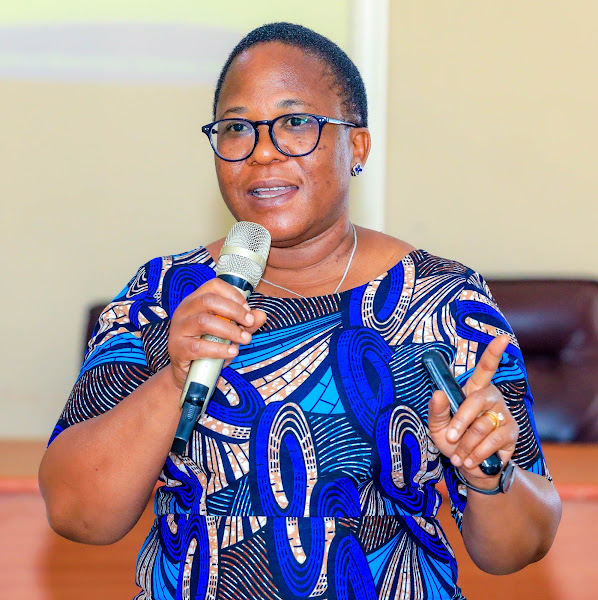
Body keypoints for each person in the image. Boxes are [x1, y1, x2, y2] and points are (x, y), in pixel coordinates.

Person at [39, 22, 561, 600]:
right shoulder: (164, 294)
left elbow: (523, 545)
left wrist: (488, 475)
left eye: (294, 123)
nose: (262, 152)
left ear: (356, 146)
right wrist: (174, 378)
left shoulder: (444, 301)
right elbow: (77, 513)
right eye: (237, 128)